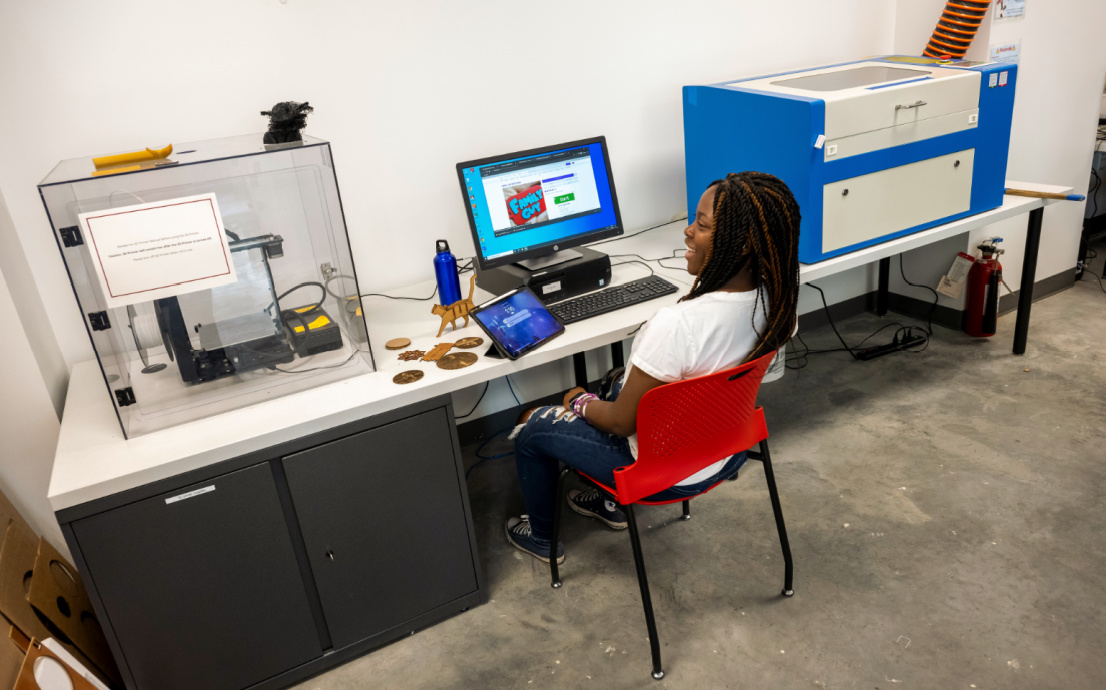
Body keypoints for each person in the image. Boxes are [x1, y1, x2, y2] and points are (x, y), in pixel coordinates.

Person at [506, 171, 802, 563]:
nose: (687, 231)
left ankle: (543, 538)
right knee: (616, 385)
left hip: (659, 474)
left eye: (702, 224)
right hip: (723, 450)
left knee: (534, 429)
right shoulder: (778, 304)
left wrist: (576, 400)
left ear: (743, 241)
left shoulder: (676, 325)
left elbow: (619, 424)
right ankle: (606, 503)